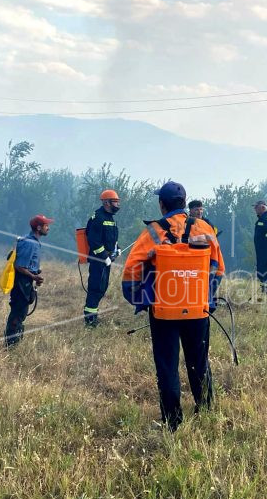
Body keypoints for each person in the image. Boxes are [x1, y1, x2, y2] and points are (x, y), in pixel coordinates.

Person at [121, 181, 225, 431]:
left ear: (162, 204)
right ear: (184, 202)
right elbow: (218, 268)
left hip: (164, 311)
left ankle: (172, 422)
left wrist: (141, 299)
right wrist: (206, 296)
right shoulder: (205, 227)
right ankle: (206, 412)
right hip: (197, 309)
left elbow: (131, 270)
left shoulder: (154, 231)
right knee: (199, 361)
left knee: (167, 366)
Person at [4, 214, 53, 347]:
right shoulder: (30, 243)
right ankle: (11, 344)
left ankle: (15, 341)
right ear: (38, 228)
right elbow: (19, 266)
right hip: (21, 281)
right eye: (46, 225)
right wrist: (34, 277)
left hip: (25, 280)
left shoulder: (33, 241)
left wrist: (35, 272)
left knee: (22, 311)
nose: (48, 228)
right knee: (18, 311)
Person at [83, 189, 120, 327]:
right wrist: (104, 256)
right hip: (98, 260)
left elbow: (111, 237)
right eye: (115, 202)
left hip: (106, 260)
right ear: (106, 202)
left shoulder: (110, 218)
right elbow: (94, 241)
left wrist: (117, 248)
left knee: (102, 288)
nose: (117, 205)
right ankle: (90, 321)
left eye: (118, 202)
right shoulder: (98, 217)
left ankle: (93, 316)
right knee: (95, 288)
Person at [252, 200, 267, 297]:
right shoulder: (262, 218)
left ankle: (266, 294)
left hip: (266, 252)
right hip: (261, 252)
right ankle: (263, 292)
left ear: (263, 207)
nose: (255, 209)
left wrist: (266, 243)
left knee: (266, 273)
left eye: (256, 207)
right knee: (261, 272)